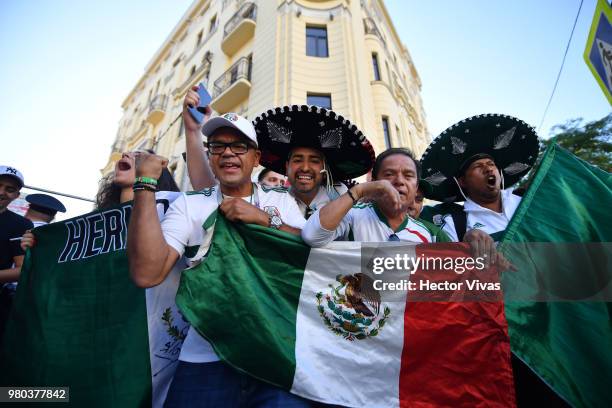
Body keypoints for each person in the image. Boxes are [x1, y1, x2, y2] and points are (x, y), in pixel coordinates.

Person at [127, 112, 309, 407]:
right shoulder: (190, 203)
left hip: (278, 352)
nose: (227, 152)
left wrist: (266, 221)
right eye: (217, 146)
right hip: (204, 360)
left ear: (255, 157)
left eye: (239, 146)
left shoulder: (281, 201)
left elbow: (310, 254)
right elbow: (146, 274)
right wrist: (145, 184)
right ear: (210, 157)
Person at [419, 114, 539, 245]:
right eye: (478, 166)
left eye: (491, 164)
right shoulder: (456, 224)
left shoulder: (529, 201)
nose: (488, 169)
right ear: (462, 182)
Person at [302, 148, 450, 246]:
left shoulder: (432, 235)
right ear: (374, 181)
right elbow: (311, 236)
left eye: (408, 175)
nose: (399, 181)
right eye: (389, 174)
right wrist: (359, 191)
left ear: (416, 187)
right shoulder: (353, 215)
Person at [253, 105, 375, 219]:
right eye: (297, 160)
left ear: (325, 168)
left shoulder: (341, 196)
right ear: (287, 166)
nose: (305, 167)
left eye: (314, 161)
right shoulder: (271, 199)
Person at [0, 165, 33, 341]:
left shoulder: (21, 225)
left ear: (17, 196)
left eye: (9, 189)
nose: (2, 192)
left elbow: (22, 270)